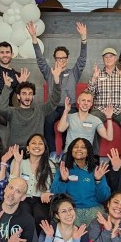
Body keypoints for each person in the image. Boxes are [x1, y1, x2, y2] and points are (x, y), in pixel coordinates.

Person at [33, 21, 88, 156]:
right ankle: (52, 152)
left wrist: (83, 38)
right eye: (58, 58)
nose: (61, 60)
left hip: (70, 107)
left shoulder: (73, 73)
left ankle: (66, 152)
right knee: (47, 121)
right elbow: (40, 59)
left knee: (70, 122)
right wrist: (34, 38)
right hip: (53, 107)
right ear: (55, 59)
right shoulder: (49, 72)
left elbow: (82, 60)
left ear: (67, 59)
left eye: (63, 58)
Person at [0, 40, 62, 149]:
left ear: (33, 96)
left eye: (30, 94)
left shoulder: (40, 110)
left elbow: (55, 100)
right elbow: (2, 108)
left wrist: (56, 80)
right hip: (15, 151)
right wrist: (7, 87)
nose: (27, 96)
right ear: (18, 96)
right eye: (24, 94)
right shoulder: (13, 112)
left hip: (35, 150)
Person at [51, 138, 111, 226]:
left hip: (94, 210)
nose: (79, 149)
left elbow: (103, 198)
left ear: (88, 152)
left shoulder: (97, 170)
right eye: (76, 147)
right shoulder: (63, 169)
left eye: (83, 147)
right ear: (71, 151)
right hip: (71, 211)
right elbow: (55, 195)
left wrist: (98, 180)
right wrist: (63, 180)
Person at [9, 134, 54, 227]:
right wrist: (17, 162)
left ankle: (43, 236)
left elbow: (52, 185)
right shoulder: (19, 161)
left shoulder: (49, 164)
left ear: (45, 148)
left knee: (41, 217)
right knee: (24, 216)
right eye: (33, 143)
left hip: (41, 199)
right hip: (22, 198)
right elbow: (12, 182)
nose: (37, 146)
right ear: (28, 148)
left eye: (40, 143)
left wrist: (48, 192)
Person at [86, 49, 121, 126]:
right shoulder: (97, 74)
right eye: (106, 57)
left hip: (120, 109)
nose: (108, 59)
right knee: (89, 122)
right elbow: (90, 95)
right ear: (103, 59)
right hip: (100, 109)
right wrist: (94, 78)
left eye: (111, 56)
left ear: (115, 58)